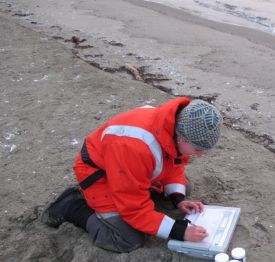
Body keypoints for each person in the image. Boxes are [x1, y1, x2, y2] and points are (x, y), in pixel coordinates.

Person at [41, 97, 222, 253]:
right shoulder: (135, 147)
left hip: (126, 169)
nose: (199, 155)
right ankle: (72, 206)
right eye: (198, 149)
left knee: (183, 188)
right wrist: (180, 232)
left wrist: (178, 199)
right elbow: (133, 208)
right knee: (128, 239)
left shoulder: (172, 124)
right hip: (100, 175)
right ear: (181, 138)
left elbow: (174, 163)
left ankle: (164, 196)